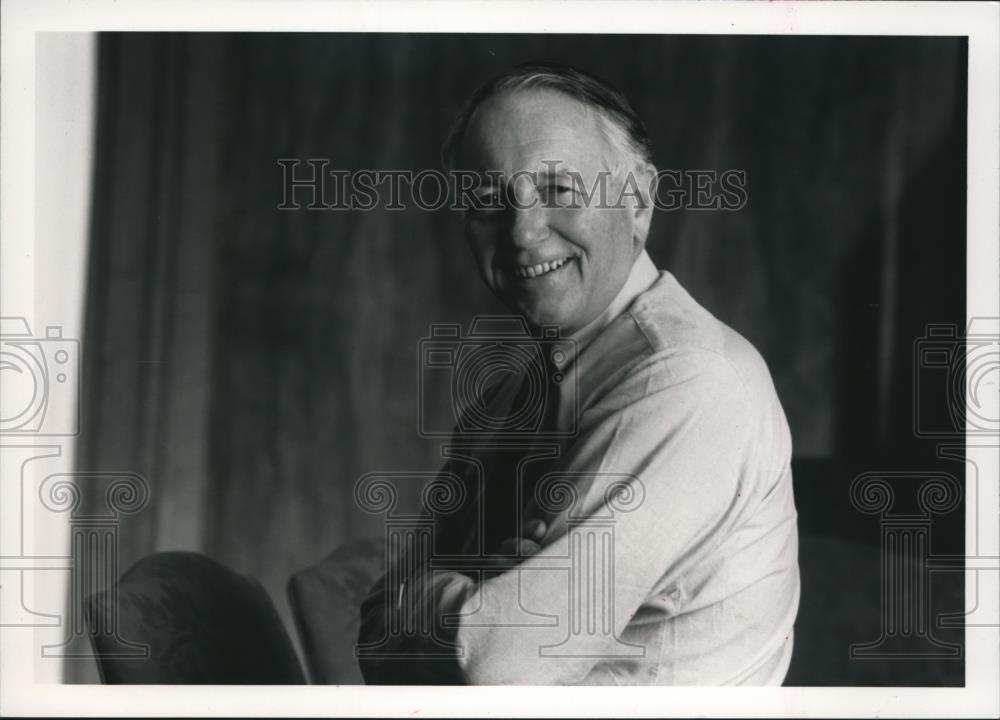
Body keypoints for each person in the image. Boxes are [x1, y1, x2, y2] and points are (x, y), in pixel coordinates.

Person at [358, 62, 799, 685]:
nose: (523, 232)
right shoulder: (503, 404)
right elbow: (373, 634)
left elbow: (496, 664)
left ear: (639, 200)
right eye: (489, 200)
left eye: (560, 189)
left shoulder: (692, 382)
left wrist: (463, 596)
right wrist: (484, 597)